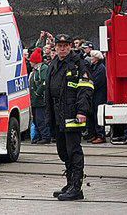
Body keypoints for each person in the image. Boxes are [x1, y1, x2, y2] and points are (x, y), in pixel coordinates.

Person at [45, 34, 93, 201]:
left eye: (66, 45)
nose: (63, 48)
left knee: (74, 150)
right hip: (58, 114)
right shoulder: (54, 64)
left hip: (73, 113)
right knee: (63, 151)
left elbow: (86, 89)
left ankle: (76, 187)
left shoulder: (80, 64)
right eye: (60, 45)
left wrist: (82, 111)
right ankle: (70, 183)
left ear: (71, 46)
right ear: (55, 47)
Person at [29, 48, 51, 144]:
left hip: (40, 99)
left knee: (41, 119)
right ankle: (39, 136)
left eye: (31, 61)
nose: (30, 63)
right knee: (36, 120)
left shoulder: (43, 69)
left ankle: (46, 136)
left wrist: (37, 93)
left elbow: (44, 82)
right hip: (35, 100)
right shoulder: (35, 70)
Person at [89, 50, 107, 144]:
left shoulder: (100, 68)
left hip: (99, 95)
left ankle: (101, 135)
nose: (91, 59)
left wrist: (90, 83)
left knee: (97, 115)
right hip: (95, 95)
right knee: (93, 114)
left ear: (96, 58)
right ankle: (95, 134)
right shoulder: (94, 67)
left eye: (92, 57)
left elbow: (96, 82)